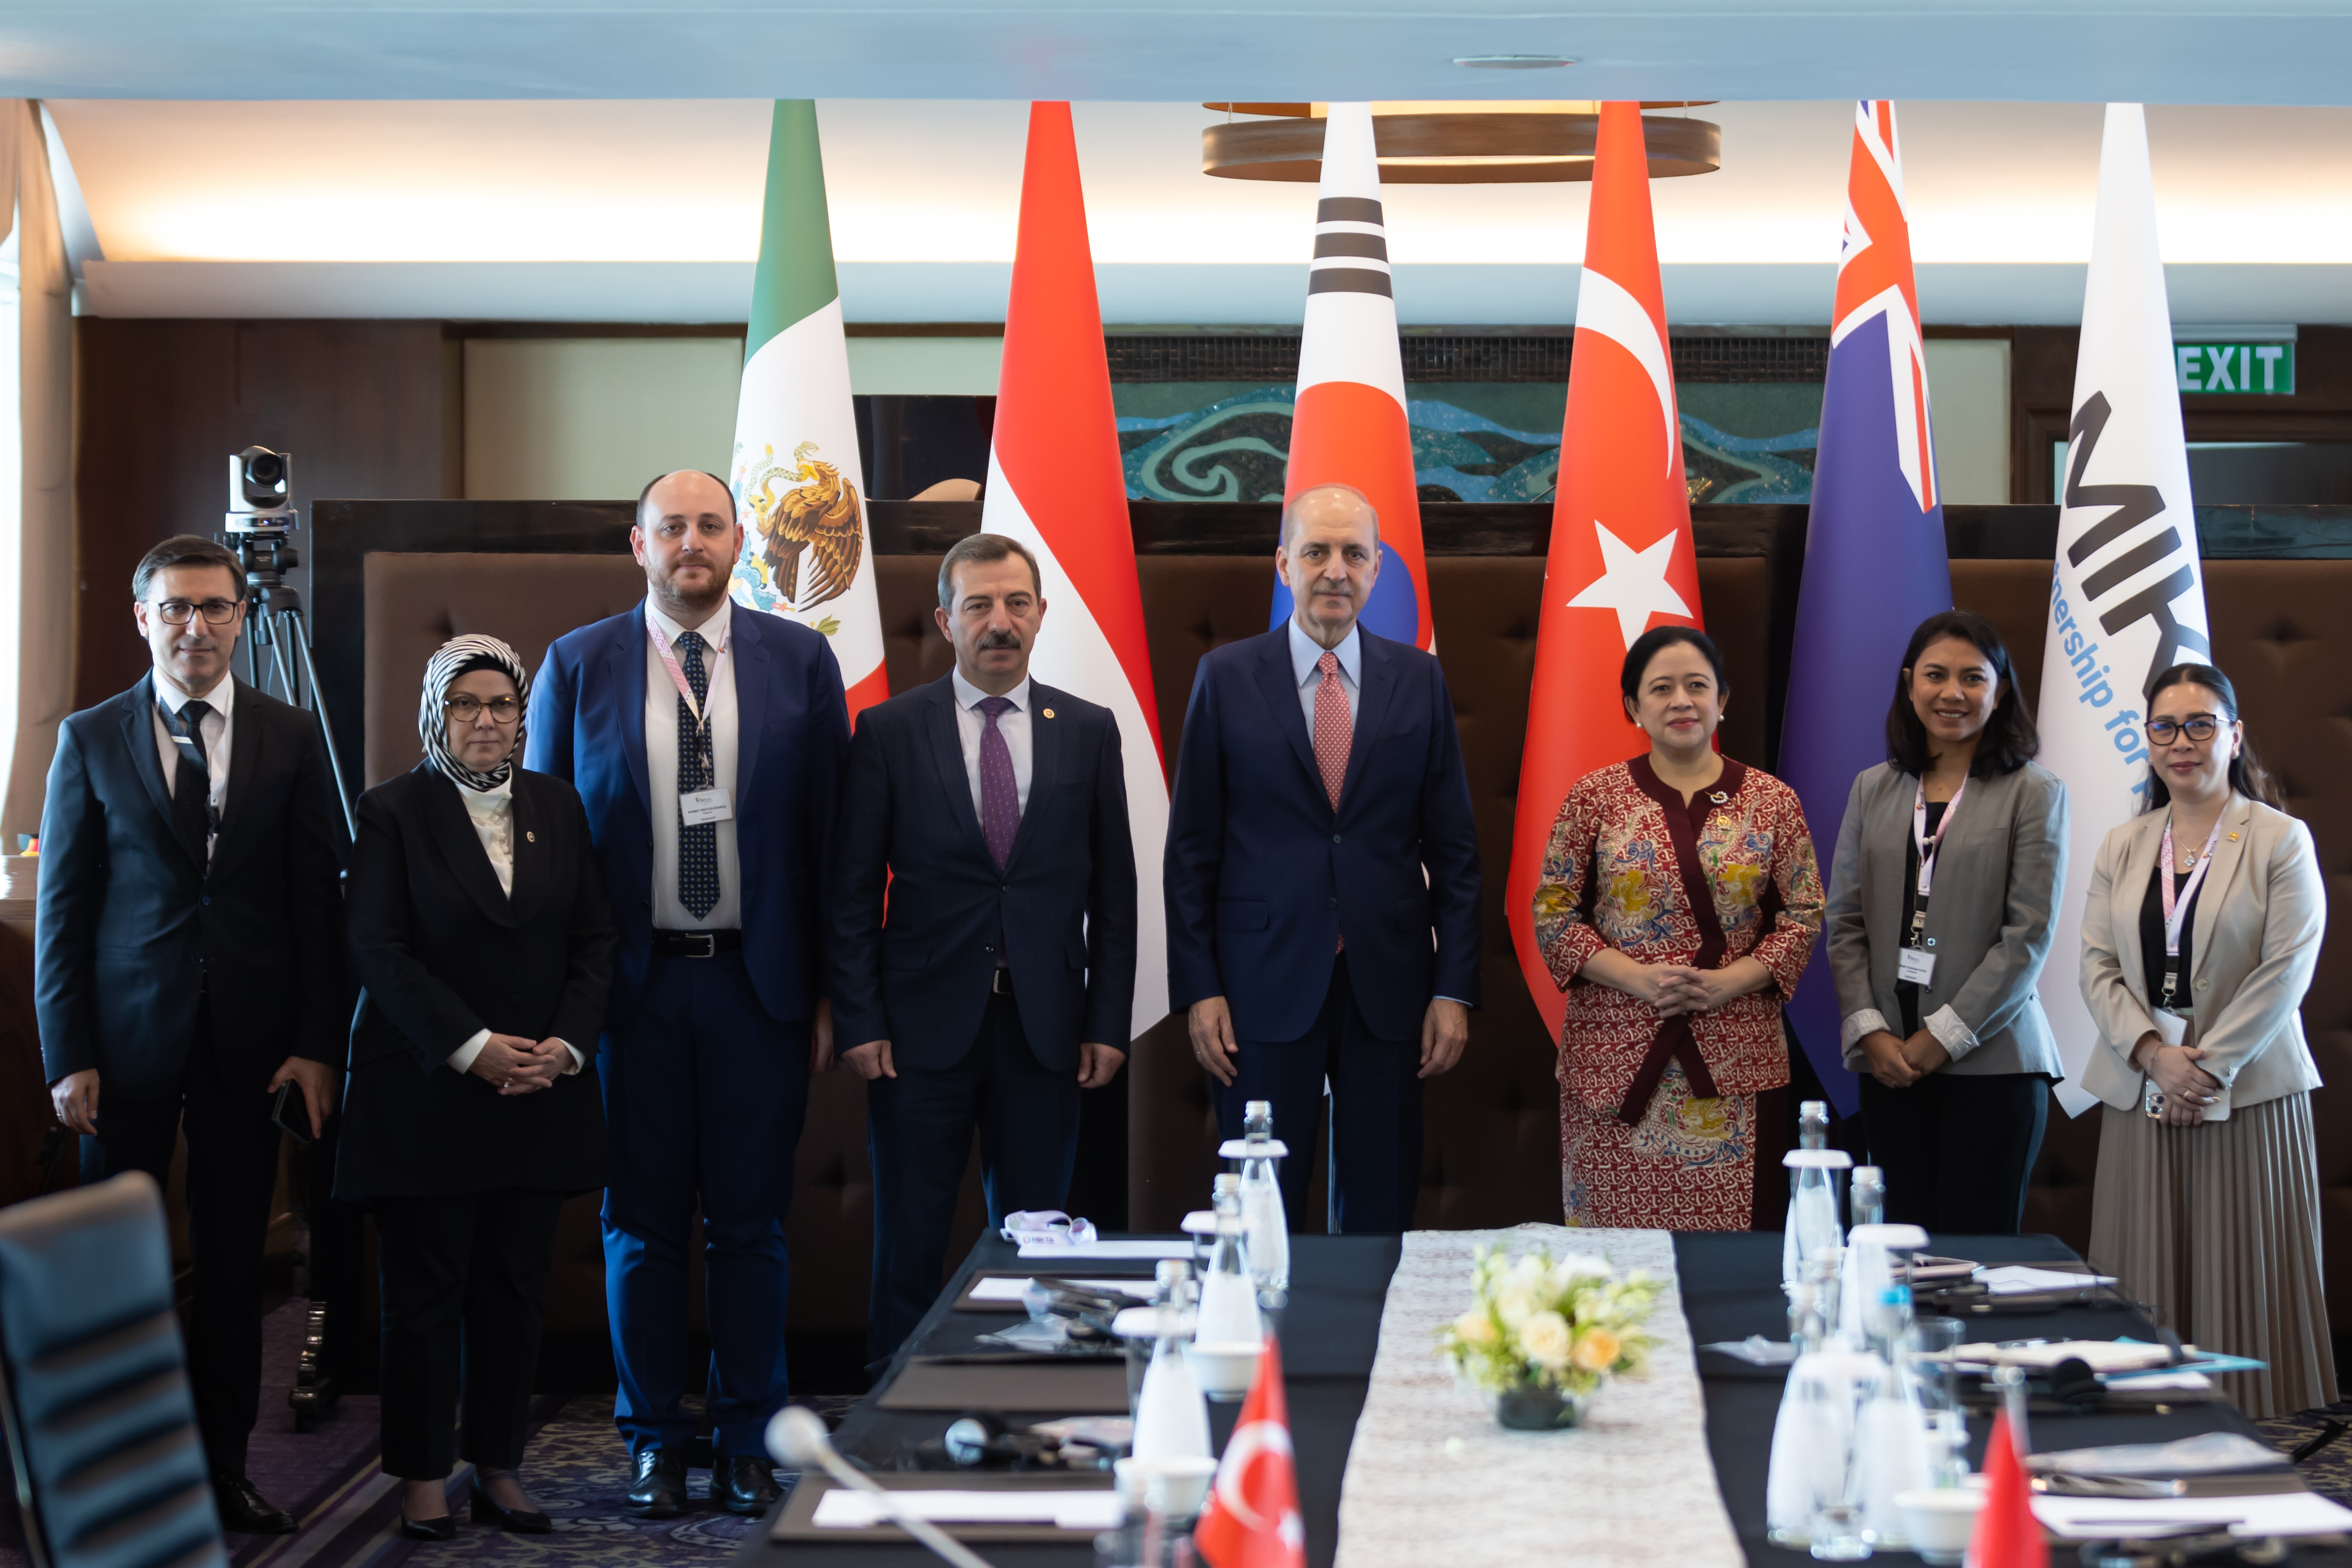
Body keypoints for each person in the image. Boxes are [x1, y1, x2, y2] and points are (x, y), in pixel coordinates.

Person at [525, 471, 849, 1518]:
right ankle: (654, 1440)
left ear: (740, 540)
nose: (692, 542)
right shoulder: (578, 663)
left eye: (711, 524)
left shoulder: (801, 661)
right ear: (640, 545)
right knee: (640, 1224)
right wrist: (561, 1010)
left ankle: (750, 1440)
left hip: (760, 987)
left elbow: (835, 845)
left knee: (751, 1225)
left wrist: (833, 995)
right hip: (631, 993)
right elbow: (546, 851)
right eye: (672, 527)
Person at [34, 534, 345, 1534]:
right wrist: (66, 1054)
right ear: (143, 617)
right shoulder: (89, 737)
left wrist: (317, 1043)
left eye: (214, 607)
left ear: (240, 618)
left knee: (232, 1269)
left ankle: (223, 1471)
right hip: (121, 1048)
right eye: (175, 607)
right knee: (111, 1268)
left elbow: (317, 907)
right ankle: (112, 1476)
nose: (195, 627)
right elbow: (63, 913)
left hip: (250, 1047)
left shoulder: (290, 736)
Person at [829, 533, 1138, 1360]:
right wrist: (860, 1020)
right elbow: (851, 892)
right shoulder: (889, 731)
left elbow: (1115, 894)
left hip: (1046, 1028)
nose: (999, 622)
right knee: (910, 1234)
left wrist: (1107, 1022)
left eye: (1016, 604)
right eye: (978, 605)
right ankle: (896, 1396)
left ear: (1041, 614)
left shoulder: (1087, 730)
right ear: (945, 620)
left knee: (1038, 1241)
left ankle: (1027, 1394)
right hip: (916, 1031)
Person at [338, 635, 616, 1539]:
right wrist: (471, 1046)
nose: (486, 719)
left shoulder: (558, 804)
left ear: (522, 715)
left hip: (536, 1088)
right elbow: (377, 949)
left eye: (501, 703)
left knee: (513, 1288)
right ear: (436, 713)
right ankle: (422, 1477)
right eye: (466, 703)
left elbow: (594, 940)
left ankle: (499, 1466)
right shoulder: (392, 810)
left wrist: (565, 1046)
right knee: (423, 1299)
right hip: (428, 1091)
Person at [1164, 482, 1481, 1233]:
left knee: (1379, 1213)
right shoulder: (1225, 676)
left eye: (1353, 554)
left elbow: (1456, 853)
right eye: (1316, 552)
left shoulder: (1420, 680)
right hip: (1257, 988)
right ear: (1284, 565)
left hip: (1390, 989)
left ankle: (1369, 1318)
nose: (1335, 570)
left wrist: (1454, 989)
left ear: (1376, 570)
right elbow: (1191, 851)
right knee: (1260, 1212)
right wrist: (1199, 988)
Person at [2080, 662, 2334, 1419]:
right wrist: (2153, 1056)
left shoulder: (2279, 839)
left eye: (2200, 724)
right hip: (2142, 1084)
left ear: (2235, 735)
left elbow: (2287, 969)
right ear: (2148, 738)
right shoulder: (2123, 843)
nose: (2181, 742)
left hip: (2247, 1091)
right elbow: (2095, 966)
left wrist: (2207, 1069)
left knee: (2241, 1279)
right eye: (2164, 727)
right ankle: (2145, 1424)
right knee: (2143, 1276)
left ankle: (2248, 1429)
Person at [1532, 625, 1822, 1231]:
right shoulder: (1594, 797)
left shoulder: (1772, 800)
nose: (1681, 701)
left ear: (1723, 699)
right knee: (1613, 1262)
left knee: (1730, 1256)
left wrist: (1726, 984)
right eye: (1661, 688)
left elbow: (1804, 914)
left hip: (1736, 1061)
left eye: (1697, 685)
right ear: (1633, 707)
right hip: (1611, 1062)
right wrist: (1639, 979)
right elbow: (1554, 914)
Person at [1826, 610, 2067, 1233]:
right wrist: (1870, 1032)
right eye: (1936, 675)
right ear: (1910, 684)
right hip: (1889, 1064)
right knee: (1900, 1253)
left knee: (1976, 1259)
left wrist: (1943, 1037)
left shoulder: (2034, 792)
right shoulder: (1872, 788)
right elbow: (1844, 921)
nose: (1952, 692)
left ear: (2000, 690)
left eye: (1972, 678)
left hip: (1994, 1067)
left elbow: (2028, 937)